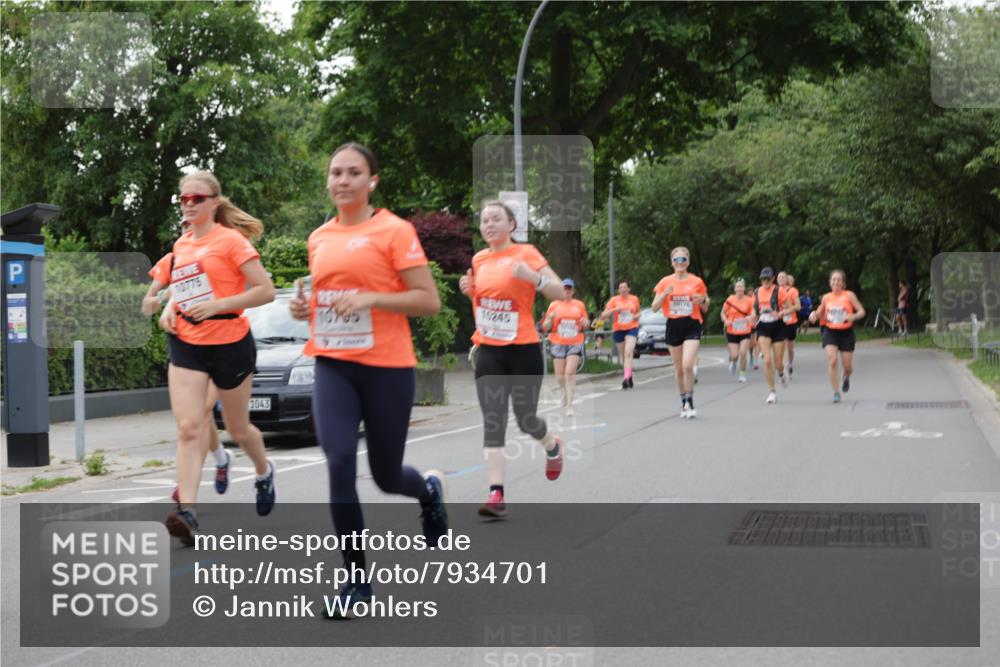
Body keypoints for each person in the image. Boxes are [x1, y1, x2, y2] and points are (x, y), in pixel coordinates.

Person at [288, 143, 448, 617]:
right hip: (333, 364)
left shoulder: (395, 231)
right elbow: (327, 297)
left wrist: (371, 299)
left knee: (384, 475)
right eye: (336, 172)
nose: (343, 180)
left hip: (387, 367)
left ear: (372, 181)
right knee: (338, 460)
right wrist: (305, 309)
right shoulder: (318, 237)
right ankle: (356, 582)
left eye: (354, 172)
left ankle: (428, 492)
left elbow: (428, 300)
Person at [158, 171, 276, 544]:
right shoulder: (181, 245)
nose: (189, 204)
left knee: (239, 430)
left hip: (230, 342)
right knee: (190, 428)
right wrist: (169, 308)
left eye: (197, 198)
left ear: (214, 202)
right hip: (188, 342)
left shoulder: (232, 242)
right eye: (183, 199)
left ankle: (263, 471)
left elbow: (265, 291)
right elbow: (183, 287)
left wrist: (220, 305)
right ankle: (188, 513)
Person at [459, 200, 565, 519]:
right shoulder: (479, 260)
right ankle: (496, 494)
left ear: (512, 225)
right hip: (490, 349)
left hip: (524, 349)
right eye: (484, 220)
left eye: (496, 219)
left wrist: (533, 278)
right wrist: (470, 292)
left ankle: (552, 446)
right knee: (494, 421)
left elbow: (560, 292)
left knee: (526, 419)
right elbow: (484, 303)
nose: (489, 224)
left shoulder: (527, 254)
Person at [143, 235, 231, 504]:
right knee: (195, 420)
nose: (188, 229)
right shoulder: (170, 262)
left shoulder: (218, 257)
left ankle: (186, 487)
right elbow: (147, 306)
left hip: (222, 344)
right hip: (187, 349)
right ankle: (221, 458)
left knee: (202, 412)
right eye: (183, 224)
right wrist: (167, 295)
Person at [651, 247, 709, 418]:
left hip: (692, 324)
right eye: (676, 260)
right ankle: (683, 400)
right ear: (672, 263)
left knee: (688, 365)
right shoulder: (665, 282)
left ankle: (690, 401)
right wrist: (664, 295)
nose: (680, 263)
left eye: (683, 259)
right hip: (673, 325)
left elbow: (705, 306)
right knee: (678, 369)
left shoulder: (696, 281)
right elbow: (654, 307)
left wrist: (702, 300)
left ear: (688, 262)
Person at [809, 269, 866, 403]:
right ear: (830, 283)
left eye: (839, 280)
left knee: (848, 367)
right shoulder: (826, 297)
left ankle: (846, 377)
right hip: (830, 331)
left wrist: (854, 316)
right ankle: (836, 391)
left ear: (843, 283)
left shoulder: (849, 295)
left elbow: (862, 311)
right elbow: (819, 312)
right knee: (833, 360)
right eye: (833, 280)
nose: (836, 282)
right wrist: (813, 315)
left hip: (846, 332)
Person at [542, 279, 589, 415]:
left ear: (573, 291)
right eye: (564, 288)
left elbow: (585, 323)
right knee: (559, 377)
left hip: (575, 341)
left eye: (569, 288)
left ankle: (569, 406)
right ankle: (565, 392)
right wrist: (550, 318)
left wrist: (586, 322)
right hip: (558, 342)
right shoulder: (554, 305)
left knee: (569, 373)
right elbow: (546, 326)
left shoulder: (579, 305)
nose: (567, 291)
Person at [753, 267, 789, 404]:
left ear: (773, 279)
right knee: (767, 360)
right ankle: (772, 392)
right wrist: (752, 316)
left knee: (778, 363)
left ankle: (781, 373)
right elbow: (754, 309)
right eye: (763, 279)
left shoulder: (779, 291)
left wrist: (780, 313)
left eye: (768, 279)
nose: (765, 281)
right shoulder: (757, 292)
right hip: (763, 326)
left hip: (778, 327)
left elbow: (791, 307)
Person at [601, 279, 641, 389]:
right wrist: (614, 309)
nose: (623, 289)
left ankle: (625, 378)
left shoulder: (634, 299)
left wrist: (637, 316)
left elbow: (638, 311)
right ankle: (629, 375)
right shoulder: (614, 300)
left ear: (629, 288)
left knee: (629, 352)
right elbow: (603, 316)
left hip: (632, 328)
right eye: (620, 287)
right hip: (618, 329)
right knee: (624, 355)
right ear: (618, 290)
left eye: (625, 287)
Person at [721, 278, 754, 383]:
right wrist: (725, 320)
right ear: (735, 289)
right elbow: (722, 313)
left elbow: (753, 312)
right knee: (734, 355)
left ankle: (742, 373)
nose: (739, 288)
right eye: (738, 286)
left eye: (741, 286)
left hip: (745, 330)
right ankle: (734, 362)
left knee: (743, 352)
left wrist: (751, 317)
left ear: (744, 288)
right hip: (732, 330)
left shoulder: (749, 300)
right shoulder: (730, 299)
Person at [777, 271, 802, 377]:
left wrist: (786, 309)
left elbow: (798, 306)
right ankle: (784, 366)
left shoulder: (793, 291)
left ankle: (790, 363)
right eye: (779, 277)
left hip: (791, 321)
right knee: (781, 345)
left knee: (790, 348)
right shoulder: (775, 291)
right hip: (779, 322)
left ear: (787, 279)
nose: (781, 279)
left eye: (783, 277)